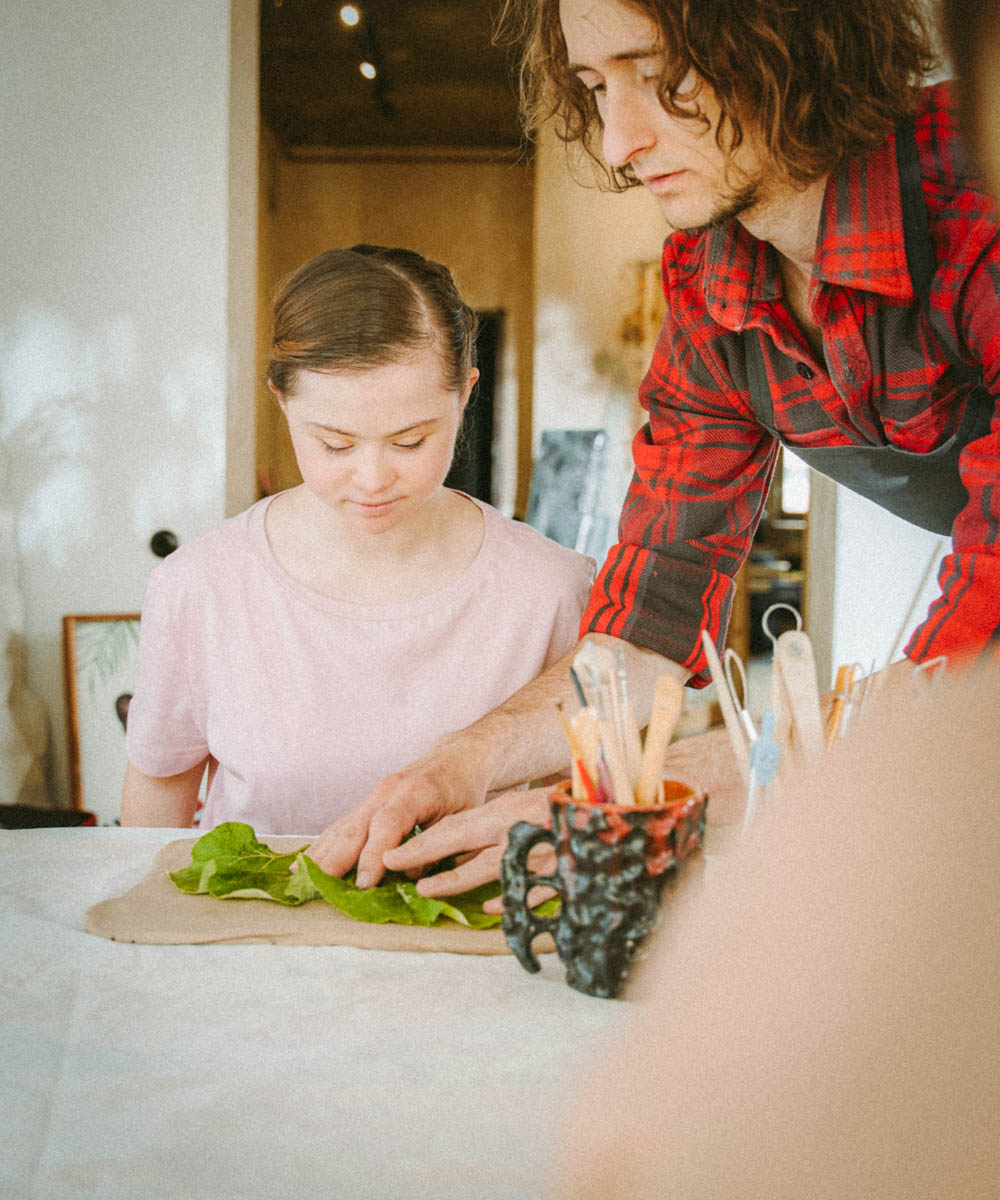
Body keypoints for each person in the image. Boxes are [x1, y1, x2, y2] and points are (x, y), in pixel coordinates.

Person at [306, 0, 1000, 892]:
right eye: (596, 87)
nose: (618, 141)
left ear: (797, 34)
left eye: (663, 76)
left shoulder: (977, 195)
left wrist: (653, 802)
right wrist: (460, 762)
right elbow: (648, 624)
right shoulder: (712, 284)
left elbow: (969, 681)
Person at [120, 245, 594, 834]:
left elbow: (581, 813)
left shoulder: (549, 588)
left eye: (411, 441)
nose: (372, 479)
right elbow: (157, 799)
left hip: (465, 925)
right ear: (281, 400)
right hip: (251, 925)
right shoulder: (199, 585)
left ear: (466, 394)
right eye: (336, 444)